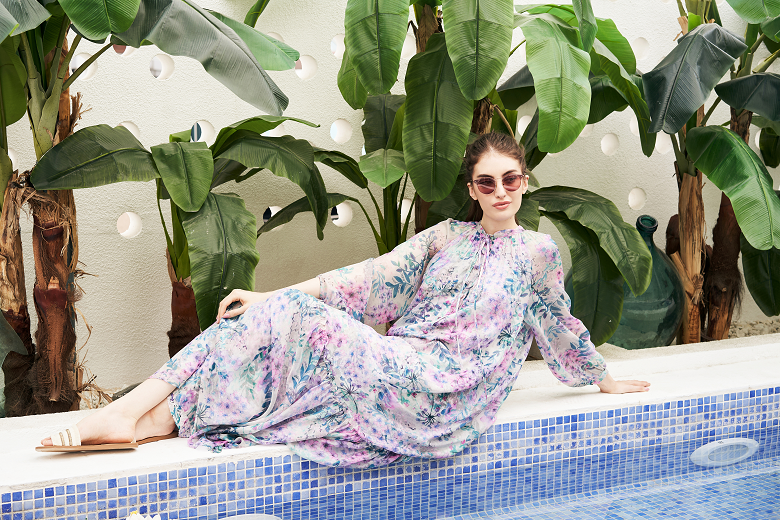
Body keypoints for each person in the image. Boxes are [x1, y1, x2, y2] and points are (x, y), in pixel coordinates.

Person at [39, 132, 650, 467]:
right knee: (271, 316)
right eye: (486, 182)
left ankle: (137, 415)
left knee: (292, 317)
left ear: (524, 181)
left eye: (510, 179)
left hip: (446, 392)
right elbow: (366, 279)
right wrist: (267, 294)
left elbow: (558, 323)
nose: (500, 191)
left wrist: (602, 378)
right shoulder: (444, 238)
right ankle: (145, 418)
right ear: (472, 188)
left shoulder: (538, 253)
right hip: (399, 361)